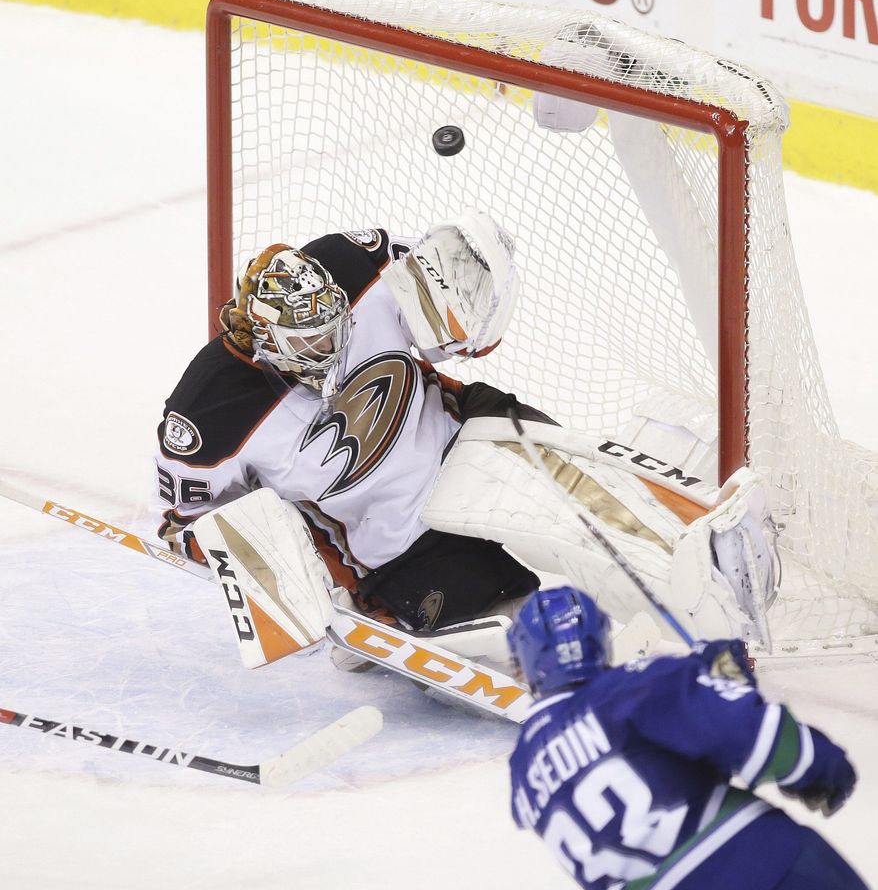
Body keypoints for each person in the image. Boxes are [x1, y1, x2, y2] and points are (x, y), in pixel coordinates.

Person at [152, 211, 778, 672]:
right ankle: (635, 671)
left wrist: (466, 300)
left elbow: (444, 286)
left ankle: (704, 551)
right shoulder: (208, 412)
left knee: (596, 513)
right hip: (397, 541)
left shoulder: (351, 263)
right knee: (516, 630)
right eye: (310, 339)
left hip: (464, 432)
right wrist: (292, 573)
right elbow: (187, 526)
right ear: (266, 338)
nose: (331, 343)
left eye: (333, 324)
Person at [507, 585, 872, 890]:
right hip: (800, 873)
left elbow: (633, 755)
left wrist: (700, 677)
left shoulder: (522, 771)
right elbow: (747, 736)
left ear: (524, 664)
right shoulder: (641, 683)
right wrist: (817, 765)